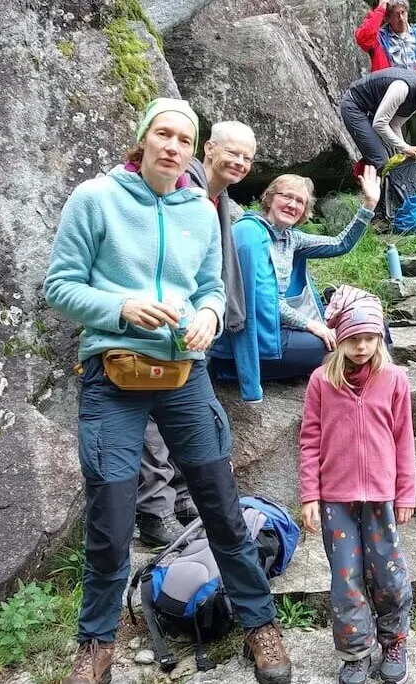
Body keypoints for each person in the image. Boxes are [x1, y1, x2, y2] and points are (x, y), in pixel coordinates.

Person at [44, 98, 291, 684]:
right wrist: (121, 307)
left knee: (221, 505)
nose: (173, 146)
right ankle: (96, 646)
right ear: (143, 138)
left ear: (192, 150)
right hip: (113, 375)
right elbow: (60, 286)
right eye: (164, 134)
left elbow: (210, 288)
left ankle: (260, 624)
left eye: (184, 138)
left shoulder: (200, 211)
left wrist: (208, 314)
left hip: (184, 374)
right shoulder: (95, 198)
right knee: (110, 519)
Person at [136, 121, 258, 547]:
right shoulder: (180, 185)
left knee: (194, 420)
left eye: (247, 157)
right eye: (233, 152)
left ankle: (186, 502)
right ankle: (155, 512)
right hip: (154, 322)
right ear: (208, 148)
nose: (239, 162)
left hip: (194, 326)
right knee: (154, 421)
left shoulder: (217, 198)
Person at [298, 285, 416, 684]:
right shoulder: (320, 381)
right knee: (345, 578)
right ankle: (355, 652)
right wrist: (310, 495)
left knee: (389, 574)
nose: (362, 346)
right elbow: (309, 440)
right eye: (353, 338)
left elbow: (404, 439)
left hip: (381, 497)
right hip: (336, 499)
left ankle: (395, 641)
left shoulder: (395, 379)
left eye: (369, 338)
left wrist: (406, 492)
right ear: (340, 338)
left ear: (379, 337)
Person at [208, 167, 382, 402]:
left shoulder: (291, 238)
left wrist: (369, 205)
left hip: (279, 328)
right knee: (342, 344)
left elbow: (340, 244)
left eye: (300, 201)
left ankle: (375, 383)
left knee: (367, 326)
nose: (292, 204)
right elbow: (261, 302)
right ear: (269, 198)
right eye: (286, 196)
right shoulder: (250, 233)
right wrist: (311, 325)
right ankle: (231, 371)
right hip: (255, 338)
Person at [354, 0, 416, 181]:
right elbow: (362, 37)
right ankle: (398, 191)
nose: (401, 18)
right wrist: (381, 7)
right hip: (391, 104)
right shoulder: (380, 38)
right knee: (396, 153)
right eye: (396, 14)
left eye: (403, 12)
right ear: (388, 17)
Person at [340, 67, 416, 174]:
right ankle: (374, 187)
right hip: (355, 107)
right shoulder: (402, 88)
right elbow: (379, 124)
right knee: (381, 160)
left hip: (372, 111)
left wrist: (403, 151)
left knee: (392, 155)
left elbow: (395, 124)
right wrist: (406, 148)